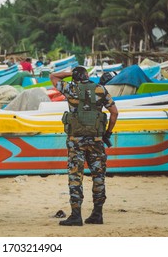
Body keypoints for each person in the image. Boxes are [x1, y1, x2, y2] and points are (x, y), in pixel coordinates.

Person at [50, 66, 118, 226]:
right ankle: (97, 214)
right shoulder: (100, 89)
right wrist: (107, 134)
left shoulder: (70, 88)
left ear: (74, 77)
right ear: (88, 75)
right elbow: (114, 113)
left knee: (75, 176)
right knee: (98, 176)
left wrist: (69, 73)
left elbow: (53, 76)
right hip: (96, 140)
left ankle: (76, 215)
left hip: (76, 141)